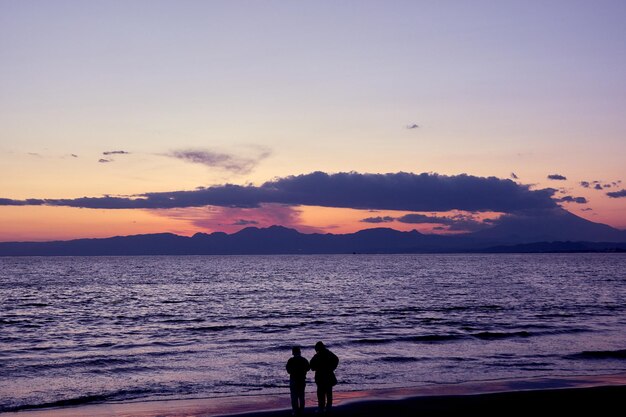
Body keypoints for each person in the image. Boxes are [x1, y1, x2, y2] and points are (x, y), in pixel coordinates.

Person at [309, 341, 339, 413]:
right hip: (328, 376)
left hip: (320, 377)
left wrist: (315, 368)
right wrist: (332, 368)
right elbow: (336, 359)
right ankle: (328, 408)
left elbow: (311, 365)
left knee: (320, 394)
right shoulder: (329, 353)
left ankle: (321, 408)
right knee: (328, 393)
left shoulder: (317, 355)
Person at [286, 346, 310, 415]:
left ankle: (295, 411)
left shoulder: (291, 360)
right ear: (300, 352)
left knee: (294, 396)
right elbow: (308, 368)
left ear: (293, 352)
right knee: (301, 396)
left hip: (293, 379)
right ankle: (301, 410)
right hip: (302, 380)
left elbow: (288, 370)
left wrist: (293, 371)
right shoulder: (304, 359)